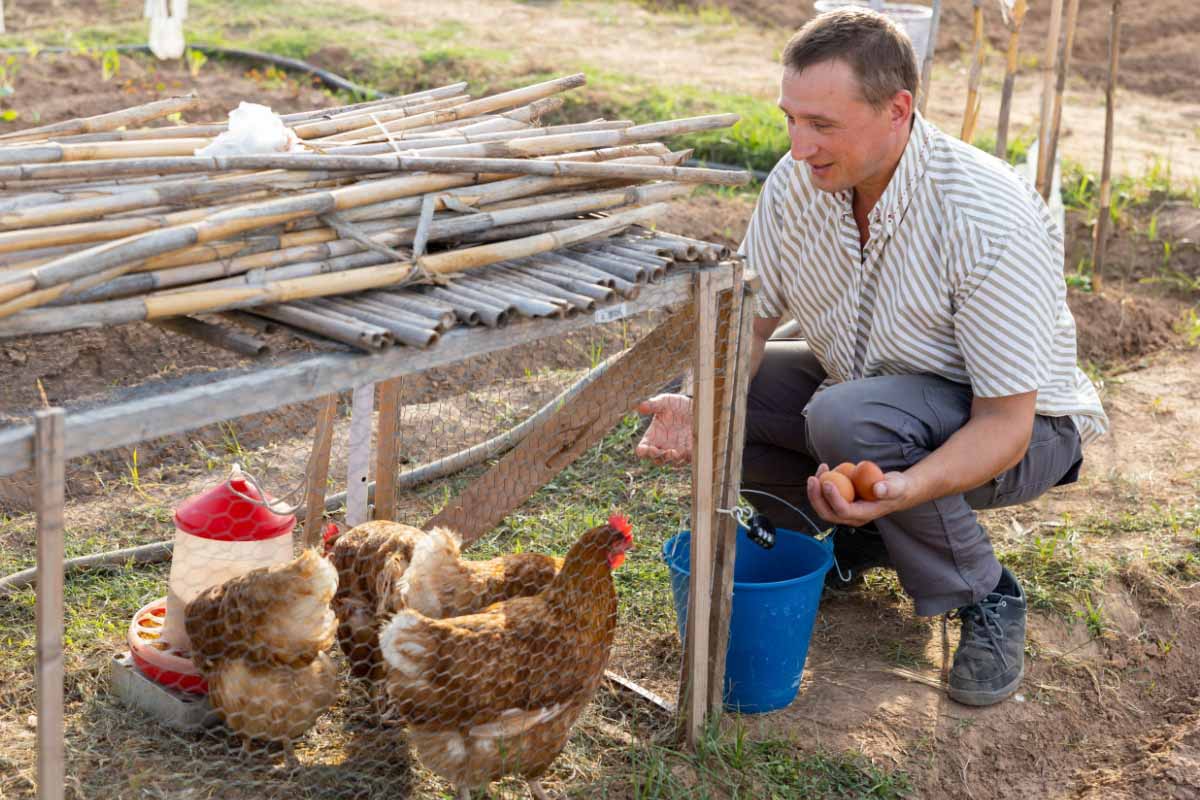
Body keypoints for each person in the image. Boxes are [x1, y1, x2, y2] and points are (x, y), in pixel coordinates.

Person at [636, 8, 1108, 707]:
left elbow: (1007, 422)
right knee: (749, 391)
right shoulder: (797, 185)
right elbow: (749, 327)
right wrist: (700, 395)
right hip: (869, 396)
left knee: (848, 419)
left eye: (823, 125)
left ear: (898, 110)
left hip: (1026, 428)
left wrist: (904, 492)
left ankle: (984, 591)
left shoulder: (982, 216)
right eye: (790, 119)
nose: (799, 146)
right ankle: (818, 553)